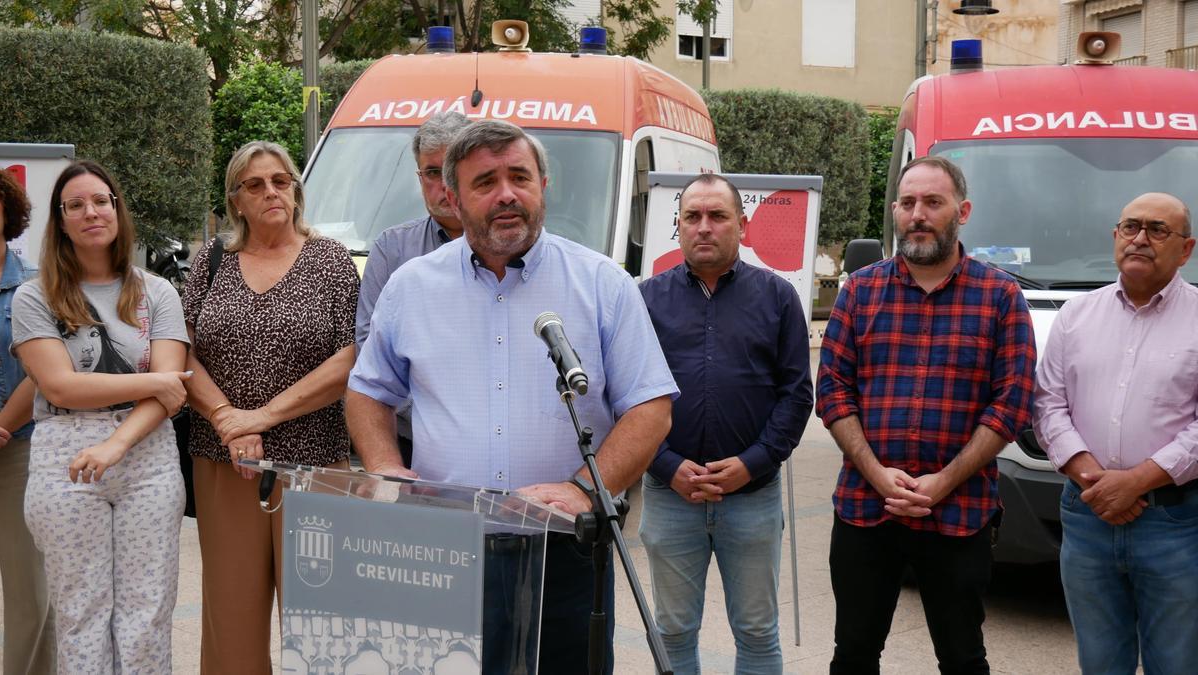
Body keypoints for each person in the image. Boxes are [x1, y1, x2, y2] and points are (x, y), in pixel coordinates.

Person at [346, 119, 676, 673]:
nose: (506, 194)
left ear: (543, 185)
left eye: (520, 177)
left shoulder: (601, 283)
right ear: (452, 197)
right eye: (485, 182)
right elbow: (368, 389)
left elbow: (651, 406)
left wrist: (583, 490)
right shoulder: (412, 286)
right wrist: (383, 464)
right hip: (442, 549)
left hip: (566, 549)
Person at [816, 155, 1036, 674]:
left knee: (962, 659)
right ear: (895, 210)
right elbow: (832, 391)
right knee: (852, 656)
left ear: (962, 210)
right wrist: (877, 475)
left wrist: (942, 482)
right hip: (864, 509)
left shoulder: (1000, 296)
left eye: (932, 202)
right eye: (909, 202)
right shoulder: (860, 291)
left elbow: (1012, 403)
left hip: (959, 514)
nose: (919, 213)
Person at [181, 140, 360, 674]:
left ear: (296, 190)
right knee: (230, 620)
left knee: (321, 623)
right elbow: (181, 351)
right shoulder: (210, 261)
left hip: (315, 464)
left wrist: (260, 417)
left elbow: (351, 357)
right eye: (255, 185)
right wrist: (226, 421)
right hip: (224, 463)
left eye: (281, 181)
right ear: (236, 199)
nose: (271, 192)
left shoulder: (330, 262)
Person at [11, 160, 191, 672]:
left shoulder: (157, 292)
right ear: (61, 220)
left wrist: (117, 443)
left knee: (147, 611)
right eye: (76, 205)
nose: (91, 212)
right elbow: (60, 384)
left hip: (147, 457)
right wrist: (155, 380)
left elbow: (170, 394)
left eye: (100, 201)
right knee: (81, 613)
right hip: (65, 455)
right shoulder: (35, 296)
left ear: (117, 210)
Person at [639, 173, 813, 674]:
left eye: (717, 216)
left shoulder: (778, 298)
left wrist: (751, 463)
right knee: (672, 631)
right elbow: (625, 399)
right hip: (672, 496)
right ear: (678, 226)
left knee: (757, 632)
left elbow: (797, 395)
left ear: (743, 224)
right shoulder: (645, 299)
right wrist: (667, 464)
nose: (704, 227)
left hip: (752, 497)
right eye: (692, 217)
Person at [1033, 193, 1198, 675]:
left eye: (1158, 230)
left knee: (1178, 662)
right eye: (1131, 227)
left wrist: (1139, 480)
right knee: (1101, 662)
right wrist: (1094, 479)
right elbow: (1048, 404)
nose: (1141, 239)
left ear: (1186, 249)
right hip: (1086, 519)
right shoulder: (1075, 315)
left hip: (1174, 521)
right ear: (1115, 238)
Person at [356, 111, 471, 466]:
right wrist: (432, 411)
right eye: (432, 173)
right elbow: (368, 343)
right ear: (419, 177)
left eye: (452, 170)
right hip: (409, 440)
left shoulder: (509, 246)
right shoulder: (393, 249)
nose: (443, 186)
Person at [0, 167, 54, 674]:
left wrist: (2, 425)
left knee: (30, 597)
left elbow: (46, 372)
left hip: (19, 450)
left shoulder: (34, 289)